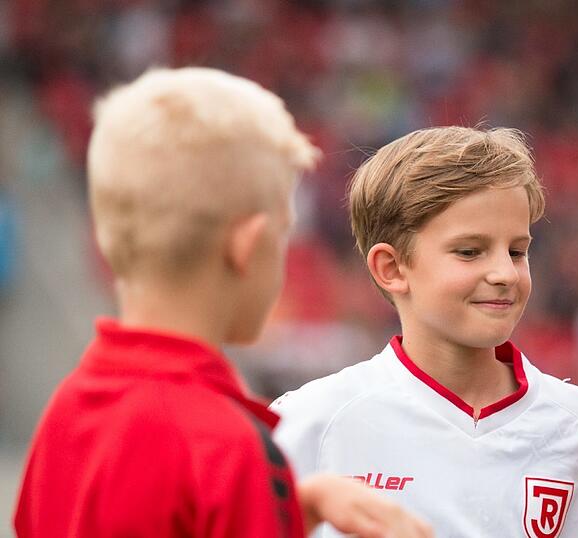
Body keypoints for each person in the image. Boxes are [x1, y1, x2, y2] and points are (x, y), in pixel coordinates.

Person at [14, 67, 432, 538]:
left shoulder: (67, 410)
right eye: (282, 236)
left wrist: (290, 509)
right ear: (248, 247)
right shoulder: (226, 447)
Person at [270, 126, 578, 537]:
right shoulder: (308, 422)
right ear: (392, 268)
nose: (505, 273)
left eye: (517, 251)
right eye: (470, 251)